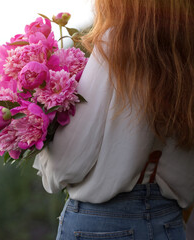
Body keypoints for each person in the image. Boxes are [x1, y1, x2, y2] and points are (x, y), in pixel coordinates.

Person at [33, 0, 194, 239]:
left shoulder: (117, 41)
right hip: (169, 221)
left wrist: (44, 156)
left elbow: (69, 162)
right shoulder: (187, 49)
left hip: (104, 223)